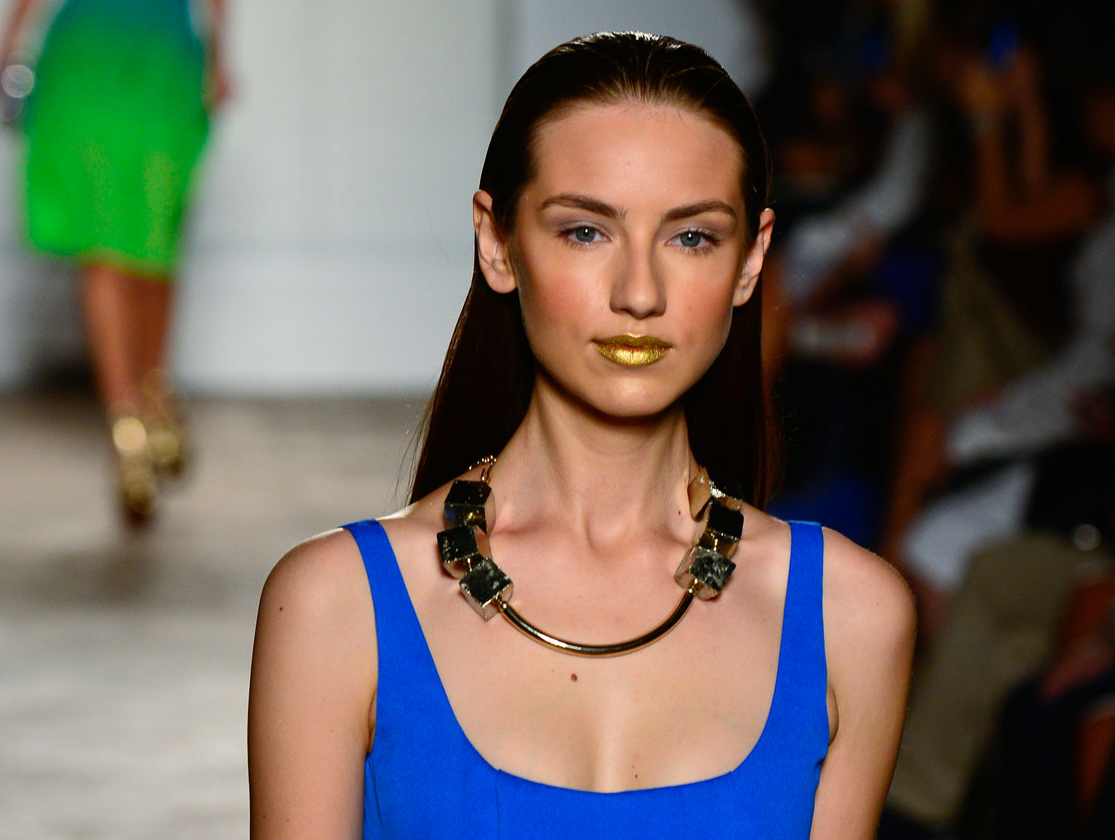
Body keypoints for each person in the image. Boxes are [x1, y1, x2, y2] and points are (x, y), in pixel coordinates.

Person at [248, 32, 914, 839]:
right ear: (497, 242)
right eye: (585, 231)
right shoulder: (334, 607)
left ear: (750, 262)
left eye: (692, 237)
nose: (640, 292)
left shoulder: (852, 618)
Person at [0, 0, 230, 522]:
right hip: (105, 52)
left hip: (146, 53)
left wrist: (218, 52)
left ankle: (149, 400)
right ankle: (132, 426)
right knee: (114, 240)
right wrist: (6, 51)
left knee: (149, 238)